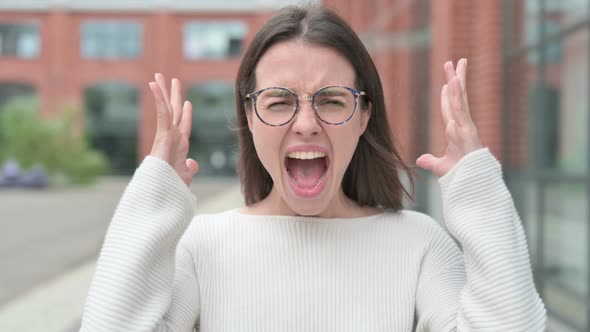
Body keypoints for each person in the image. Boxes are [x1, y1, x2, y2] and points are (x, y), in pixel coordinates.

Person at [79, 5, 546, 332]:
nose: (306, 124)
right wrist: (153, 193)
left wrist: (480, 194)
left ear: (364, 117)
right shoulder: (202, 248)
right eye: (279, 101)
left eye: (332, 101)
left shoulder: (419, 244)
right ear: (248, 119)